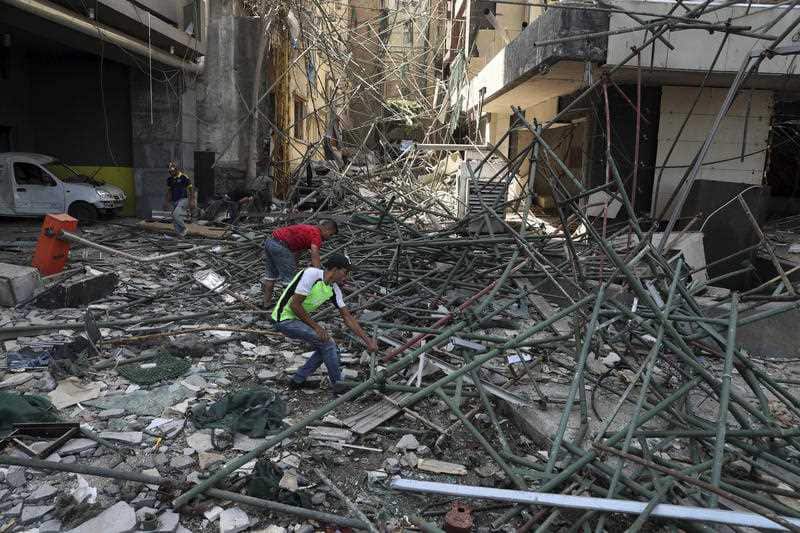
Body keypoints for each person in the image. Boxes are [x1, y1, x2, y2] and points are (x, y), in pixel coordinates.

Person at [271, 254, 378, 393]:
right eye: (345, 272)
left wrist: (368, 341)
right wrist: (316, 327)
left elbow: (347, 317)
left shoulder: (334, 289)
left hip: (296, 320)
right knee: (328, 344)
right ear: (334, 269)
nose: (346, 277)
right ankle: (338, 385)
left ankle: (298, 380)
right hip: (283, 318)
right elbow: (295, 305)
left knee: (326, 347)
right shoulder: (312, 274)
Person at [262, 219, 338, 306]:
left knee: (270, 277)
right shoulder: (316, 234)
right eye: (330, 234)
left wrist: (294, 266)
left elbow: (298, 250)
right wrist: (318, 273)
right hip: (281, 247)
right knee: (290, 281)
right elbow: (315, 252)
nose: (329, 237)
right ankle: (289, 307)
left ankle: (266, 304)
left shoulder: (308, 231)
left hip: (270, 242)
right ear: (326, 229)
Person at [163, 162, 194, 237]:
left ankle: (184, 228)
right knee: (175, 218)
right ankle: (179, 235)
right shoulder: (169, 179)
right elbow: (169, 191)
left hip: (183, 200)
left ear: (177, 169)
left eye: (173, 171)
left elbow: (190, 189)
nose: (171, 172)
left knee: (175, 214)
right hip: (174, 201)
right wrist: (166, 202)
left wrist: (192, 200)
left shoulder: (184, 177)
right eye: (170, 171)